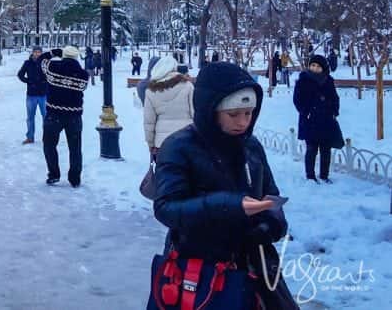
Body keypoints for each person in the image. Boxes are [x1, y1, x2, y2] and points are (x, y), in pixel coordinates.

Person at [152, 62, 296, 308]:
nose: (243, 122)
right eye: (233, 114)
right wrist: (229, 206)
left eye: (249, 113)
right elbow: (166, 207)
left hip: (255, 266)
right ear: (210, 110)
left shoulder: (250, 145)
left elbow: (270, 193)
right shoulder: (178, 147)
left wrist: (272, 223)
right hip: (200, 270)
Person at [41, 45, 89, 187]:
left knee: (49, 145)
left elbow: (41, 61)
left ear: (63, 55)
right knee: (75, 148)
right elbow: (82, 88)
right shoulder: (83, 74)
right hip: (74, 115)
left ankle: (54, 174)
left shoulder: (53, 67)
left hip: (53, 114)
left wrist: (53, 53)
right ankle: (75, 178)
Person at [294, 54, 341, 184]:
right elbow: (297, 100)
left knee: (326, 150)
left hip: (326, 120)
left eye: (318, 66)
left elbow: (335, 98)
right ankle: (310, 176)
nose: (315, 68)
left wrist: (334, 111)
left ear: (323, 68)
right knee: (311, 149)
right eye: (313, 65)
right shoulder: (303, 80)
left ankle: (324, 175)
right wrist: (306, 112)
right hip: (310, 121)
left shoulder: (328, 81)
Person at [142, 56, 194, 160]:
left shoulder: (150, 91)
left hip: (162, 142)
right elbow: (195, 113)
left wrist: (151, 144)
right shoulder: (187, 85)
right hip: (186, 137)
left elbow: (149, 121)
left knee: (166, 172)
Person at [17, 46, 47, 144]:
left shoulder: (45, 63)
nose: (37, 54)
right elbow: (20, 74)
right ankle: (30, 137)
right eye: (36, 52)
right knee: (30, 117)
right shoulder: (27, 63)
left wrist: (45, 83)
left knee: (46, 117)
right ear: (33, 53)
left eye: (39, 52)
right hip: (31, 95)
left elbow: (51, 75)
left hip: (43, 94)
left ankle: (47, 137)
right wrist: (28, 81)